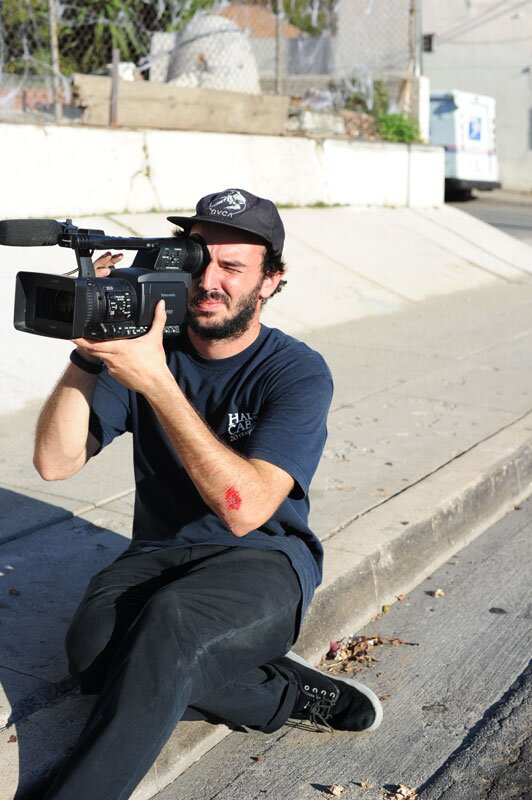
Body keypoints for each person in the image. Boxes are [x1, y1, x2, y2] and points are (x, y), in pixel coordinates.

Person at [27, 188, 382, 800]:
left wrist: (159, 386)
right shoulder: (149, 353)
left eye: (232, 267)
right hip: (159, 555)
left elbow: (245, 512)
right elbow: (54, 463)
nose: (208, 281)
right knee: (89, 650)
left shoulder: (294, 371)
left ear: (271, 281)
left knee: (169, 625)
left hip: (264, 562)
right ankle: (280, 692)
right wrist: (86, 354)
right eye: (196, 260)